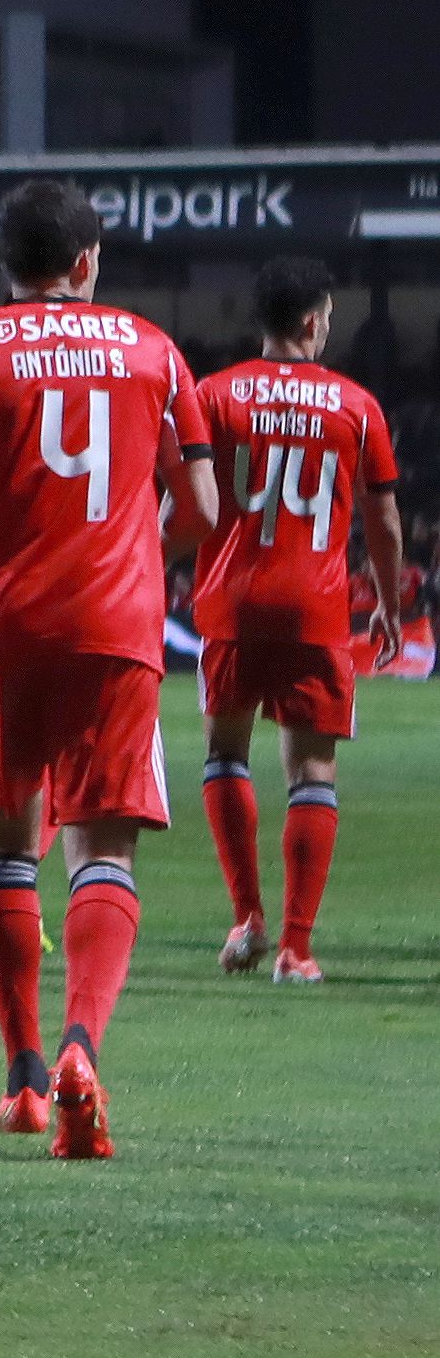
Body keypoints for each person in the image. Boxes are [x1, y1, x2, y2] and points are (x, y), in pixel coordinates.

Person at [0, 182, 216, 1158]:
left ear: (5, 266)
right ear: (84, 261)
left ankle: (24, 1076)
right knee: (100, 851)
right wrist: (134, 542)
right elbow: (198, 498)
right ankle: (81, 1046)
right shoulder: (152, 349)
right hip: (112, 618)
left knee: (4, 840)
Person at [190, 256, 404, 983]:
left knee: (224, 755)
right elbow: (382, 520)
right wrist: (391, 604)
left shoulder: (213, 396)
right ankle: (295, 947)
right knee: (312, 771)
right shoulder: (355, 405)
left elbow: (182, 498)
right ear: (313, 322)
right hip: (315, 608)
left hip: (231, 602)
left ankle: (246, 918)